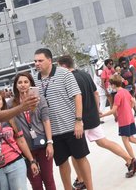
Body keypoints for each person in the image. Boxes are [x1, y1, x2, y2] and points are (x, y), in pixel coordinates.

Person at [57, 56, 136, 184]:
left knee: (75, 152)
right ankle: (130, 160)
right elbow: (96, 94)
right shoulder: (85, 74)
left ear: (63, 66)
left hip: (79, 120)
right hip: (92, 116)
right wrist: (96, 110)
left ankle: (81, 179)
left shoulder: (68, 79)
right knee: (103, 142)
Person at [33, 49, 94, 190]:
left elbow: (77, 96)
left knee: (81, 158)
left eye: (40, 60)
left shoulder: (64, 74)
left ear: (49, 60)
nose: (37, 63)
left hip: (72, 127)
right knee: (62, 163)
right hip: (52, 132)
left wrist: (78, 121)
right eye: (35, 61)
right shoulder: (35, 79)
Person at [9, 72, 55, 190]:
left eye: (26, 82)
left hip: (42, 145)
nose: (23, 85)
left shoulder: (39, 99)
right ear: (15, 85)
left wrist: (50, 142)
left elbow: (46, 120)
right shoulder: (10, 104)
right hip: (25, 149)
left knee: (48, 179)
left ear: (31, 84)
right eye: (20, 82)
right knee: (36, 183)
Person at [0, 90, 39, 190]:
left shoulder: (11, 119)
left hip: (15, 162)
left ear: (3, 102)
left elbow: (21, 140)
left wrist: (32, 161)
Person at [100, 75, 136, 163]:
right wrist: (128, 109)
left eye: (110, 84)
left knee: (125, 140)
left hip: (123, 121)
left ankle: (133, 160)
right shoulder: (125, 91)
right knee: (131, 138)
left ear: (114, 84)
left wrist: (102, 115)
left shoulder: (117, 95)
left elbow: (113, 110)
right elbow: (133, 102)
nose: (110, 86)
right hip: (130, 119)